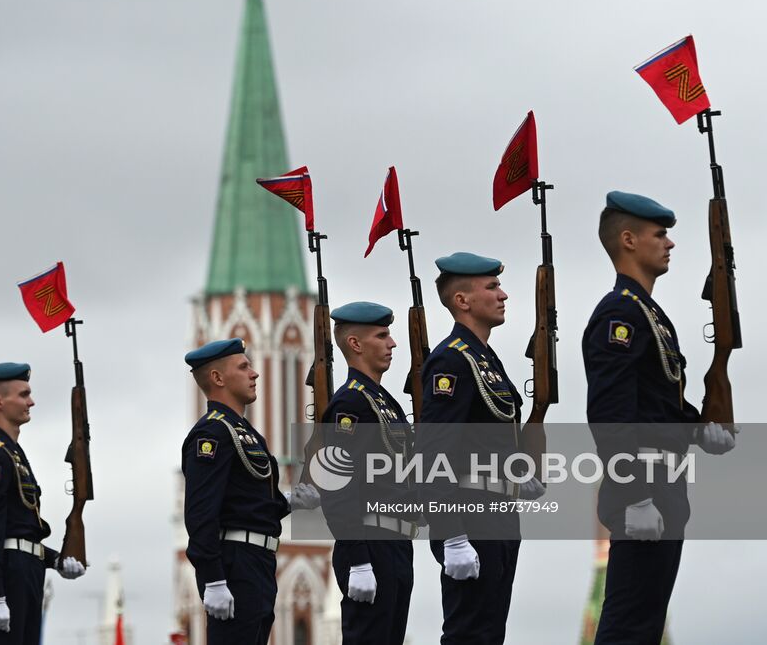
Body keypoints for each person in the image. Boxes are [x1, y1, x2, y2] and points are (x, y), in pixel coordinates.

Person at [582, 191, 735, 645]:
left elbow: (656, 406)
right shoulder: (620, 314)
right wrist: (634, 495)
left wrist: (700, 431)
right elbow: (612, 413)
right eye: (659, 234)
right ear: (628, 240)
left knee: (645, 625)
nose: (669, 243)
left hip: (665, 481)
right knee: (628, 625)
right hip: (643, 483)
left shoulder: (650, 314)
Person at [419, 252, 542, 645]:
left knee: (488, 635)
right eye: (491, 287)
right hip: (472, 519)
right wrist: (451, 536)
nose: (503, 294)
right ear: (462, 301)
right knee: (469, 634)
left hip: (500, 515)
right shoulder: (452, 362)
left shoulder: (484, 359)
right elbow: (433, 454)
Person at [181, 339, 318, 645]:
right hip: (234, 564)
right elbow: (201, 513)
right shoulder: (212, 433)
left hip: (258, 562)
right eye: (244, 367)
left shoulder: (244, 432)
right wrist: (214, 579)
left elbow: (246, 503)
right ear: (218, 378)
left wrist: (288, 502)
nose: (254, 373)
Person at [0, 363, 84, 645]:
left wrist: (56, 560)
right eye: (23, 394)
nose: (31, 401)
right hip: (9, 574)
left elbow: (20, 527)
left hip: (28, 570)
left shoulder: (13, 454)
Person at [320, 302, 417, 645]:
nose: (392, 343)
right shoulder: (350, 404)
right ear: (355, 344)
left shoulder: (384, 402)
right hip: (370, 545)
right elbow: (337, 487)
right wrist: (359, 560)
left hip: (396, 543)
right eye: (382, 335)